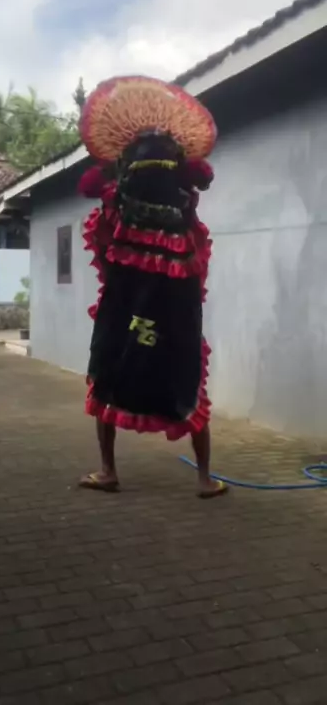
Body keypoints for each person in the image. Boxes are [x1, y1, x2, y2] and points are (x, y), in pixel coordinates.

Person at [77, 75, 228, 499]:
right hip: (172, 319)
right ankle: (204, 479)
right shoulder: (184, 218)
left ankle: (108, 471)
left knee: (108, 380)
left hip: (124, 314)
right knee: (186, 384)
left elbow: (93, 202)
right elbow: (202, 185)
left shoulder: (117, 211)